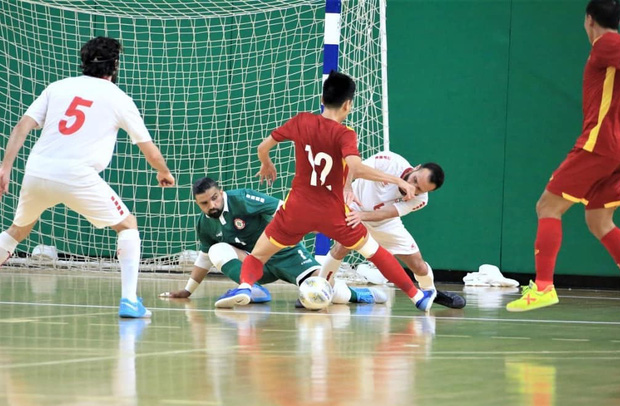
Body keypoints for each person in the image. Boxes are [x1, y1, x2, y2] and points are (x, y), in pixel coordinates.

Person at [215, 70, 436, 312]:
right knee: (375, 252)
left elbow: (262, 147)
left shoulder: (301, 121)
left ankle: (245, 286)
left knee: (258, 256)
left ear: (323, 99)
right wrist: (399, 181)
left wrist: (266, 163)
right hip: (332, 212)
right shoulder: (345, 134)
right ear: (348, 104)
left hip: (297, 209)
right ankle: (417, 296)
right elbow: (356, 168)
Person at [0, 36, 175, 318]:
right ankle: (130, 301)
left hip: (37, 171)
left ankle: (131, 301)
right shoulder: (118, 98)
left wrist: (4, 168)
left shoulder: (58, 87)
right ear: (115, 65)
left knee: (17, 232)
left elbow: (22, 126)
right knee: (128, 225)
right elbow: (148, 148)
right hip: (76, 176)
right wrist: (163, 172)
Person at [506, 0, 620, 327]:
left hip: (600, 143)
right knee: (600, 222)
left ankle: (543, 287)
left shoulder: (607, 43)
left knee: (548, 207)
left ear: (589, 20)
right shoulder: (611, 47)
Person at [159, 177, 387, 306]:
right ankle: (251, 289)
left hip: (284, 253)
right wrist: (188, 291)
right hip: (254, 265)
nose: (211, 206)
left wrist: (305, 229)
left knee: (317, 295)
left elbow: (283, 208)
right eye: (204, 203)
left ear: (221, 192)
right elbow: (204, 258)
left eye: (214, 198)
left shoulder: (243, 199)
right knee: (217, 250)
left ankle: (362, 295)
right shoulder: (204, 223)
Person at [317, 151, 466, 309]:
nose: (412, 187)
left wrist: (362, 216)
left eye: (419, 189)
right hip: (353, 205)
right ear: (416, 168)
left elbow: (387, 213)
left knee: (417, 264)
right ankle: (320, 287)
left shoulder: (421, 200)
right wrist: (347, 188)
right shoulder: (389, 160)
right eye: (414, 180)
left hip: (384, 223)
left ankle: (430, 293)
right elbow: (355, 168)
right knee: (341, 247)